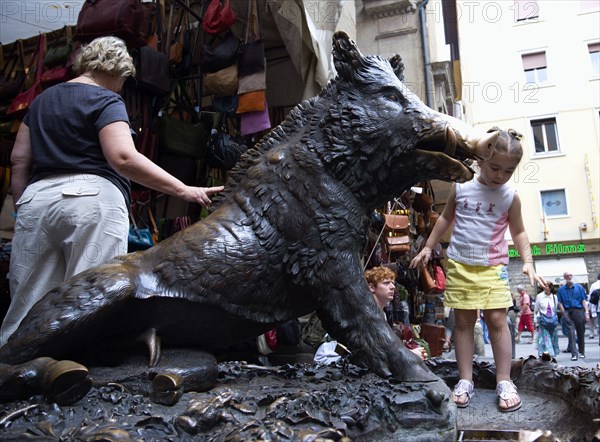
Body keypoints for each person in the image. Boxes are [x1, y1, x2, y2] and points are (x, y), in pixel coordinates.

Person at [0, 36, 224, 346]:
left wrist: (24, 203)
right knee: (89, 297)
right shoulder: (106, 100)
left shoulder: (41, 101)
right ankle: (75, 377)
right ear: (118, 71)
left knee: (28, 300)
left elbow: (19, 158)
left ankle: (12, 373)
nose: (122, 87)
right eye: (123, 80)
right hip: (92, 202)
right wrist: (183, 189)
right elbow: (123, 157)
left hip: (37, 199)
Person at [410, 127, 546, 413]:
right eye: (495, 167)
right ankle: (465, 380)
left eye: (508, 171)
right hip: (460, 263)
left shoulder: (510, 196)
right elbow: (445, 218)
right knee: (463, 321)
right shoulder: (462, 186)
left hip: (493, 265)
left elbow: (519, 232)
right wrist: (426, 247)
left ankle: (504, 380)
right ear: (480, 160)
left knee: (497, 319)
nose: (500, 175)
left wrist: (528, 262)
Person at [313, 266, 427, 363]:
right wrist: (409, 356)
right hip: (331, 358)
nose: (392, 287)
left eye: (392, 283)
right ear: (371, 287)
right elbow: (374, 350)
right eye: (386, 283)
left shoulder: (381, 314)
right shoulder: (362, 312)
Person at [556, 272, 589, 361]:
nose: (569, 277)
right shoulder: (561, 290)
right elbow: (560, 303)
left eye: (570, 275)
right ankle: (574, 354)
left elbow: (583, 301)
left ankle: (582, 352)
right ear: (564, 277)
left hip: (579, 311)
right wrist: (564, 314)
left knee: (580, 332)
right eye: (567, 276)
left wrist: (586, 312)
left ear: (572, 276)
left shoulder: (579, 288)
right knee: (570, 333)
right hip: (567, 311)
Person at [534, 283, 559, 357]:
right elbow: (536, 310)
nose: (545, 287)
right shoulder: (539, 296)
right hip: (543, 320)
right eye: (544, 286)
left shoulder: (554, 297)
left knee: (552, 337)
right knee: (545, 338)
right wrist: (535, 321)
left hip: (553, 321)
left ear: (550, 288)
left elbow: (555, 309)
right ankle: (549, 354)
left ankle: (551, 352)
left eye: (547, 286)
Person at [587, 272, 599, 340]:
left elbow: (590, 298)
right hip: (596, 306)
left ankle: (591, 334)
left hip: (594, 307)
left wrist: (590, 308)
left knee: (593, 321)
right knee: (596, 322)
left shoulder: (594, 285)